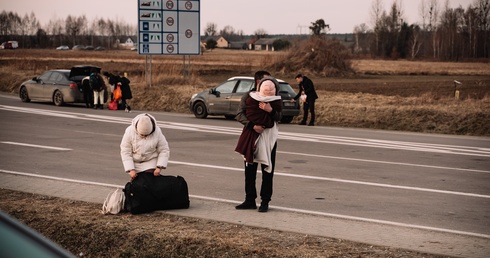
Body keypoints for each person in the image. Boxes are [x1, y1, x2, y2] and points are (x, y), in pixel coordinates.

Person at [235, 76, 282, 212]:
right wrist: (252, 125)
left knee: (268, 170)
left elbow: (279, 117)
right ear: (258, 83)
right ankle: (249, 200)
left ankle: (265, 201)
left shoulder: (276, 101)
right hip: (251, 135)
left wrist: (270, 110)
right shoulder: (248, 97)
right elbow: (240, 114)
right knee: (250, 169)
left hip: (269, 138)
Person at [120, 113, 170, 181]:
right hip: (135, 162)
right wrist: (131, 169)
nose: (144, 137)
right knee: (137, 185)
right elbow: (125, 151)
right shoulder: (129, 132)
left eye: (147, 135)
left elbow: (164, 149)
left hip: (150, 161)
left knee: (148, 182)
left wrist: (159, 167)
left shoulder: (157, 132)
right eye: (142, 135)